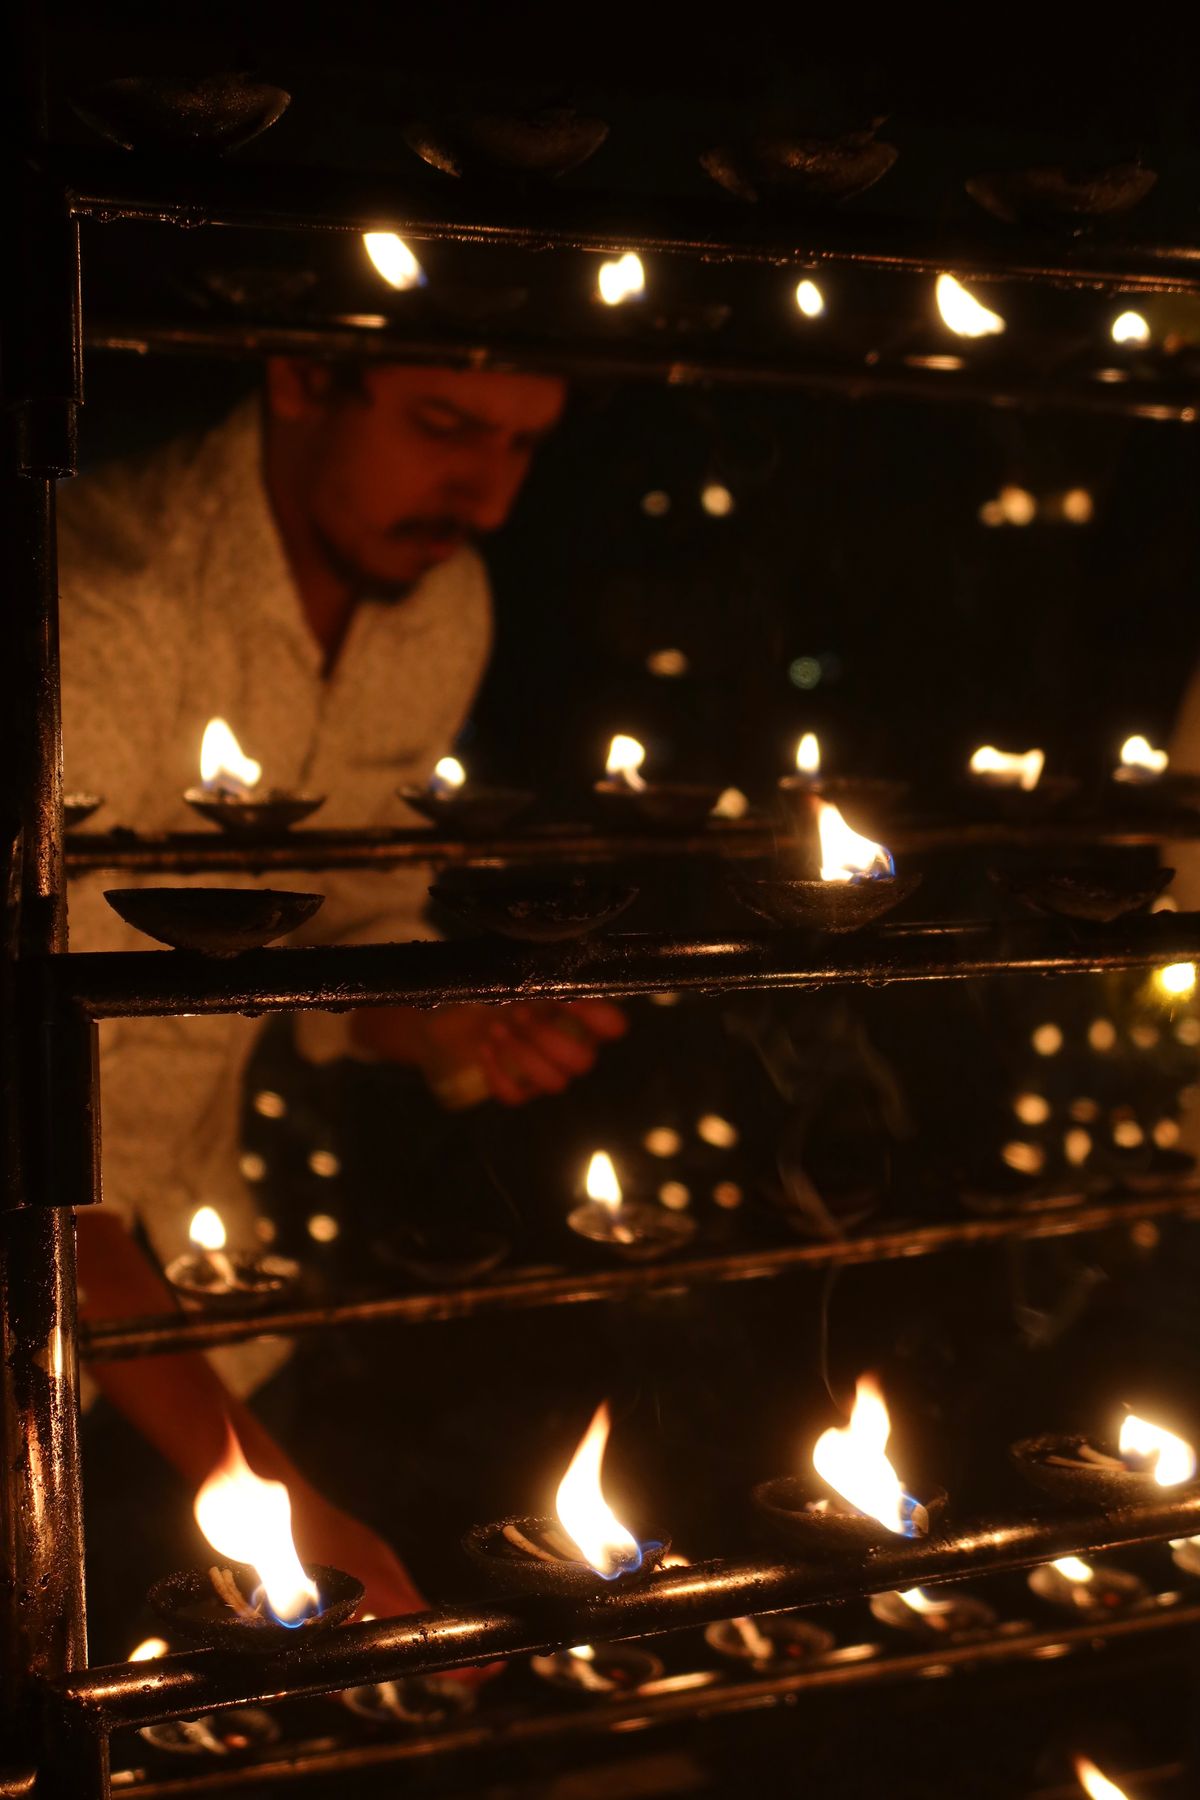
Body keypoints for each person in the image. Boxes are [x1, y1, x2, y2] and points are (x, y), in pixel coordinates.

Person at [63, 361, 626, 1618]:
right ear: (305, 375)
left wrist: (447, 1021)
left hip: (200, 1294)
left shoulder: (436, 601)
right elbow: (24, 1139)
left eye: (523, 447)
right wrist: (279, 1508)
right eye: (444, 426)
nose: (482, 494)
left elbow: (346, 919)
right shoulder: (94, 610)